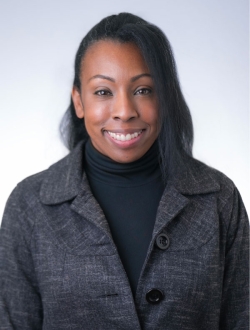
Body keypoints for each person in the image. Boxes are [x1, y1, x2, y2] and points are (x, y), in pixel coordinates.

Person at [0, 12, 249, 330]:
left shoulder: (218, 198)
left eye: (143, 90)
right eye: (103, 92)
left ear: (165, 96)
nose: (124, 112)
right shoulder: (30, 204)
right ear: (79, 101)